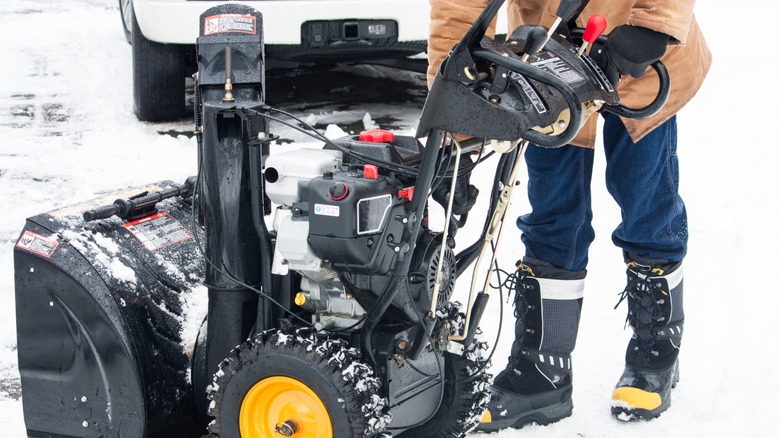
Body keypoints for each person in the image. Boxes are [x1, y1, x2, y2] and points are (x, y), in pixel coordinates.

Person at [426, 0, 711, 431]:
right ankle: (543, 370)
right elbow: (456, 9)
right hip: (549, 68)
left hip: (640, 55)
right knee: (554, 214)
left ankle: (657, 351)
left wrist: (653, 25)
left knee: (645, 203)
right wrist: (455, 130)